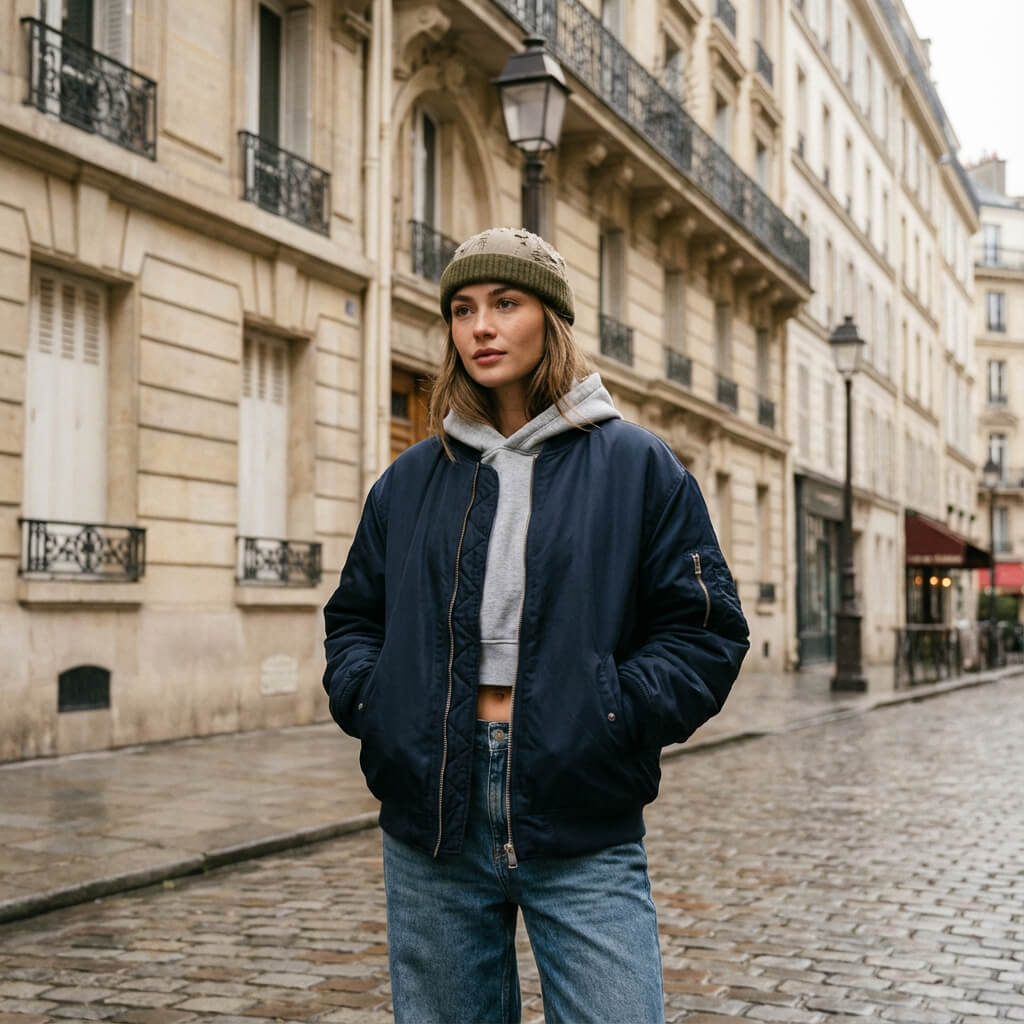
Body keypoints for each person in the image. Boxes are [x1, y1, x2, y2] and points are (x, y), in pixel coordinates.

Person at [323, 227, 749, 1023]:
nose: (480, 326)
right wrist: (380, 707)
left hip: (580, 809)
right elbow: (353, 621)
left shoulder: (638, 466)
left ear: (549, 319)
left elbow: (705, 632)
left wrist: (611, 716)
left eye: (505, 303)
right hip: (433, 819)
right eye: (462, 309)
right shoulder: (409, 482)